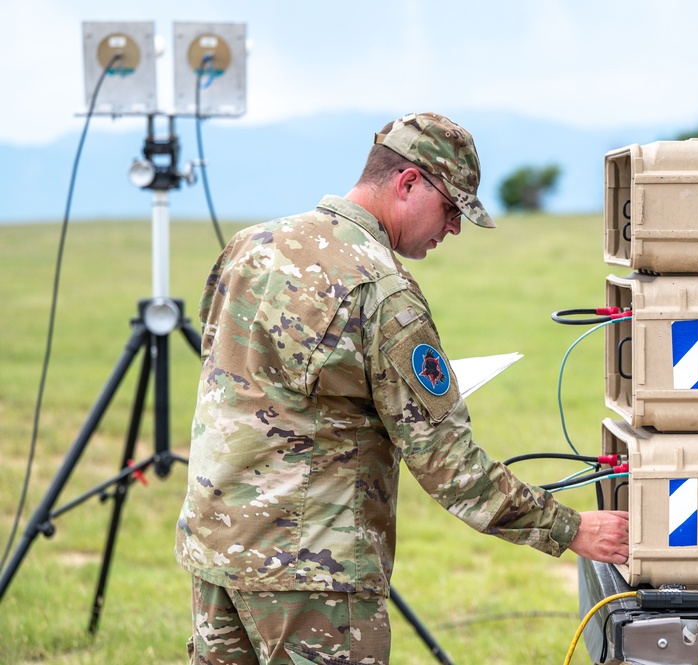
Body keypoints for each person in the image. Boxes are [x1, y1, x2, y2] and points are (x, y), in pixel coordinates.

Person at [175, 112, 629, 664]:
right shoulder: (384, 290)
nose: (454, 228)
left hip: (217, 554)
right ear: (408, 182)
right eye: (451, 208)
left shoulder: (249, 247)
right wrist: (571, 528)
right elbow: (448, 465)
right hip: (313, 573)